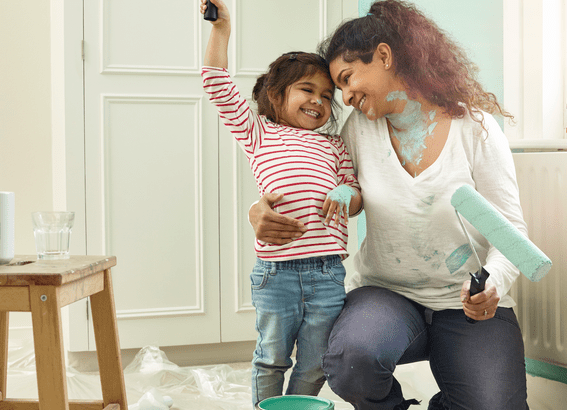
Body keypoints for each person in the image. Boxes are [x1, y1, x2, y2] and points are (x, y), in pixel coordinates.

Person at [249, 1, 529, 409]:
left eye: (346, 79)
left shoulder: (476, 127)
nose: (344, 96)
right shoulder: (358, 129)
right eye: (338, 89)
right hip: (387, 293)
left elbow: (512, 232)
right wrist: (257, 210)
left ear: (383, 56)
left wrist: (495, 284)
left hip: (467, 301)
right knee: (350, 362)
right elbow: (309, 182)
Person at [199, 0, 362, 406]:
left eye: (327, 96)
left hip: (327, 272)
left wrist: (346, 194)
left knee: (315, 362)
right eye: (307, 90)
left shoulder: (334, 144)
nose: (319, 102)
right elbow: (216, 83)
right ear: (275, 94)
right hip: (275, 274)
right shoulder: (260, 134)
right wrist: (222, 31)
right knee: (271, 358)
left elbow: (356, 195)